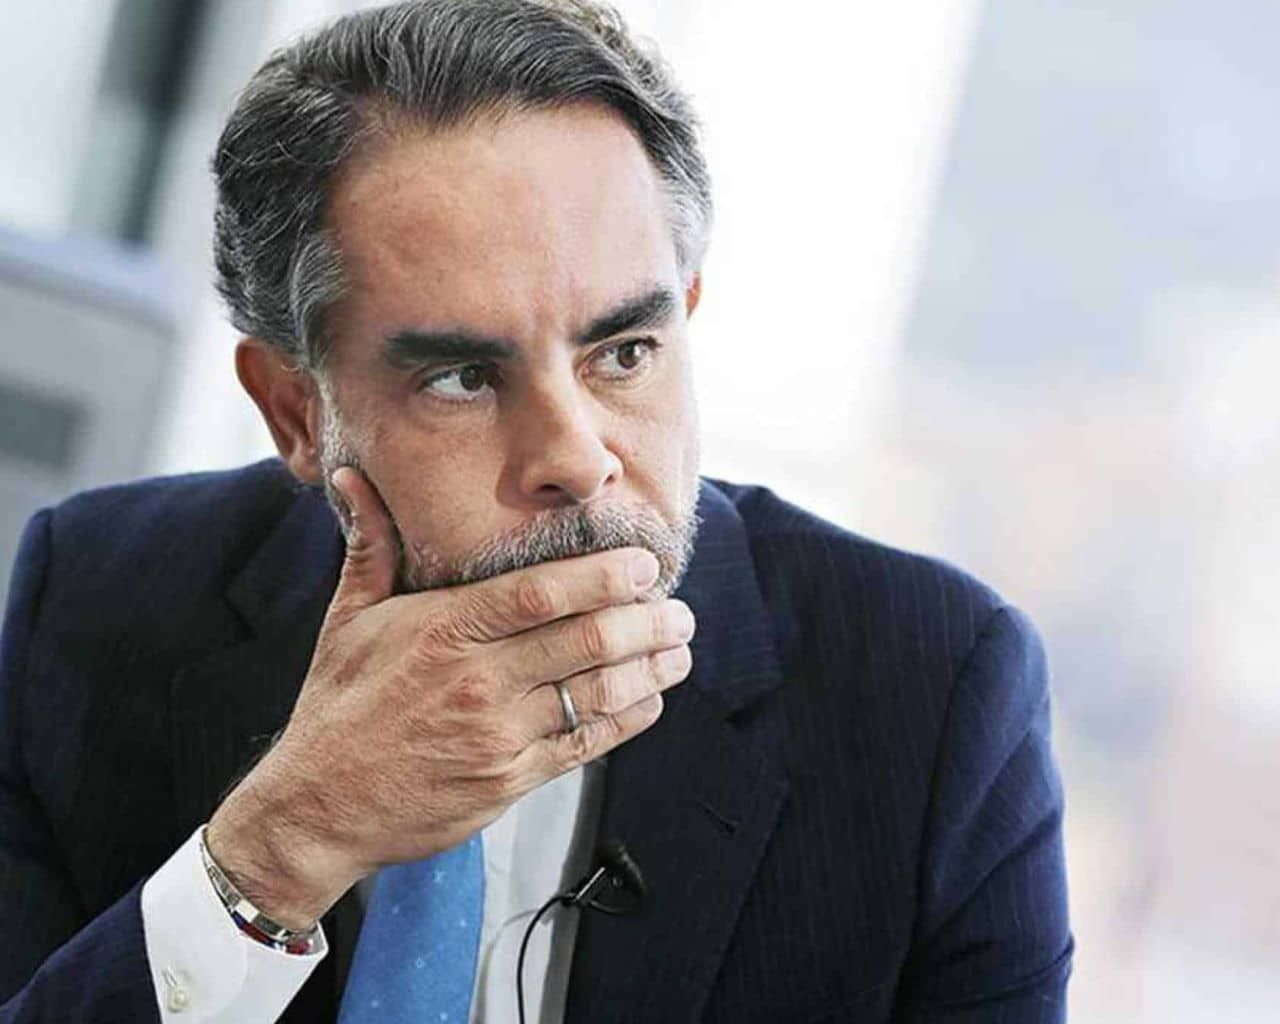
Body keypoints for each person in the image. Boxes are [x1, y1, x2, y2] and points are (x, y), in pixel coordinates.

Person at [0, 1, 1073, 1021]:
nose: (577, 457)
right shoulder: (97, 597)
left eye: (625, 351)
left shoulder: (936, 688)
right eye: (463, 378)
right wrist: (283, 843)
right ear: (296, 410)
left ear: (686, 314)